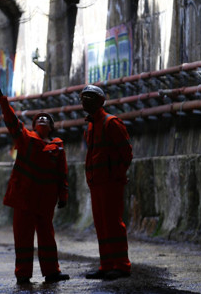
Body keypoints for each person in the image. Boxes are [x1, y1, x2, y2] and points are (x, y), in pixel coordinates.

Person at [0, 79, 70, 284]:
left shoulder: (57, 147)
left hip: (44, 201)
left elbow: (62, 173)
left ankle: (52, 272)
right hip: (24, 199)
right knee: (23, 239)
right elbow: (12, 121)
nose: (42, 118)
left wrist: (63, 195)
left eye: (46, 118)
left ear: (51, 127)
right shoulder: (25, 139)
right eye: (39, 117)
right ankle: (23, 274)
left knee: (47, 237)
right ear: (34, 125)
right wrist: (2, 99)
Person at [80, 84, 133, 280]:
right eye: (83, 97)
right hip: (97, 184)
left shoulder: (111, 123)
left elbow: (126, 153)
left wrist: (116, 175)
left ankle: (122, 266)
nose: (85, 101)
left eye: (89, 97)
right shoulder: (92, 126)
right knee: (102, 225)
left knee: (113, 224)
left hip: (110, 183)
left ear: (99, 101)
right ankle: (107, 265)